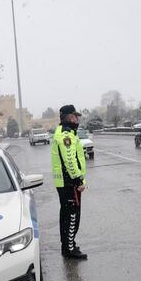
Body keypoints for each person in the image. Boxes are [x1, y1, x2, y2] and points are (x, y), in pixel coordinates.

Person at [51, 104, 88, 259]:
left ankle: (67, 245)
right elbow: (70, 162)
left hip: (66, 182)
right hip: (69, 183)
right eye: (75, 116)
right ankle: (69, 248)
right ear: (70, 117)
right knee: (72, 215)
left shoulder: (66, 132)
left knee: (66, 215)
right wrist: (79, 180)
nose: (77, 118)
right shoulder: (66, 135)